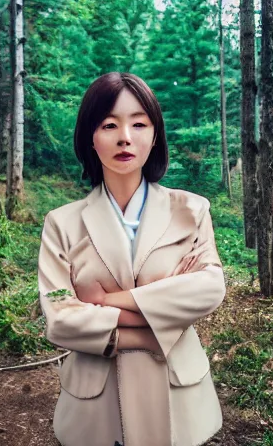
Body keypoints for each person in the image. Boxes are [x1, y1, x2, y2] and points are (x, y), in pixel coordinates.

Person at [37, 72, 226, 446]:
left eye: (138, 123)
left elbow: (208, 289)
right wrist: (159, 317)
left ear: (154, 135)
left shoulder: (191, 210)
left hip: (180, 395)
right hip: (96, 403)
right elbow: (60, 319)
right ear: (90, 138)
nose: (125, 136)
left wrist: (105, 302)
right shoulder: (62, 223)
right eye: (109, 124)